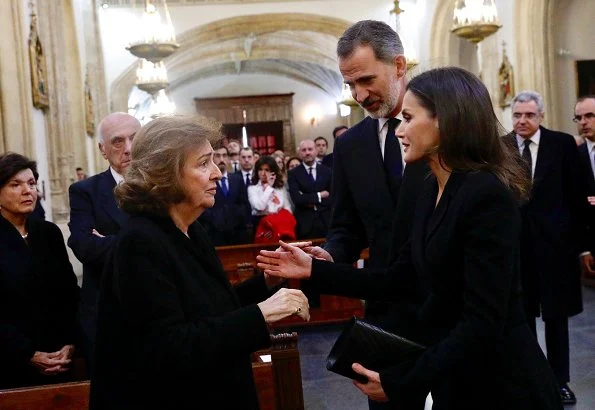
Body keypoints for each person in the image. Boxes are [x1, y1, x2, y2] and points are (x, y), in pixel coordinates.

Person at [258, 67, 563, 410]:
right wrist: (313, 270)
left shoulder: (486, 194)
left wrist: (400, 381)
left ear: (444, 121)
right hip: (458, 378)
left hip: (502, 385)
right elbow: (400, 278)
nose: (400, 131)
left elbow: (483, 321)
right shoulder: (430, 186)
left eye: (408, 118)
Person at [90, 116, 310, 410]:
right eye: (204, 163)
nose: (218, 173)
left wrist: (268, 281)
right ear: (166, 173)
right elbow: (169, 347)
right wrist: (262, 313)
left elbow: (213, 311)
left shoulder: (191, 229)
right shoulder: (140, 242)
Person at [311, 25, 428, 405]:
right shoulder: (351, 145)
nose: (359, 95)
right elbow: (346, 225)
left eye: (366, 80)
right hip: (386, 312)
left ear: (397, 65)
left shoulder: (441, 128)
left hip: (444, 304)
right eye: (350, 85)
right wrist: (330, 255)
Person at [503, 91, 587, 405]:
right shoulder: (502, 147)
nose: (522, 121)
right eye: (517, 115)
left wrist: (580, 247)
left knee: (556, 319)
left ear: (541, 116)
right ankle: (528, 379)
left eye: (529, 115)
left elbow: (576, 197)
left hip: (556, 250)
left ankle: (560, 381)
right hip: (516, 250)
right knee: (521, 320)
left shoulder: (562, 145)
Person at [67, 112, 141, 372]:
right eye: (118, 141)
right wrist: (148, 244)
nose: (129, 149)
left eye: (134, 138)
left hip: (157, 314)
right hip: (106, 315)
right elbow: (84, 246)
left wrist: (110, 242)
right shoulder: (85, 192)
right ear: (103, 149)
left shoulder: (165, 187)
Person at [0, 153, 79, 389]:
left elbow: (70, 293)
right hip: (11, 362)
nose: (28, 191)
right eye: (16, 185)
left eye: (31, 183)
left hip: (60, 357)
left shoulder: (48, 233)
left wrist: (71, 342)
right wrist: (27, 354)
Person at [199, 144, 250, 245]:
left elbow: (244, 204)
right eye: (217, 156)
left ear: (228, 158)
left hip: (237, 234)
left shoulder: (237, 179)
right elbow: (203, 206)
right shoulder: (205, 180)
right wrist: (216, 220)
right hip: (214, 233)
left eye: (224, 155)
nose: (221, 159)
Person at [287, 139, 332, 239]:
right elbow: (297, 199)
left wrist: (306, 198)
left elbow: (332, 196)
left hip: (326, 222)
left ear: (316, 151)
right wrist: (319, 195)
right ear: (299, 153)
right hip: (304, 224)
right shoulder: (293, 173)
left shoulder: (327, 171)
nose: (307, 153)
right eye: (304, 150)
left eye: (310, 149)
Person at [248, 156, 296, 243]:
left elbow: (288, 210)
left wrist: (277, 227)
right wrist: (269, 187)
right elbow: (259, 207)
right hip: (261, 225)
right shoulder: (252, 188)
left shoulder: (280, 188)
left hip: (280, 227)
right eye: (260, 169)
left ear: (273, 172)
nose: (263, 173)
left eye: (267, 170)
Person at [574, 95, 595, 278]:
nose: (583, 122)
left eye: (589, 116)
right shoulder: (573, 156)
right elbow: (575, 207)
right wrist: (584, 250)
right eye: (579, 118)